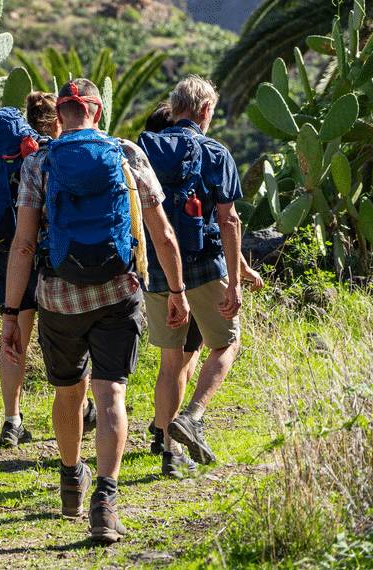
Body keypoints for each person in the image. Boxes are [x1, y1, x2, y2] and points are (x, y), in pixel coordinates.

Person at [1, 78, 189, 543]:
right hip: (118, 291)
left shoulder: (39, 162)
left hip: (59, 297)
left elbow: (24, 245)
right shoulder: (127, 154)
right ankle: (105, 502)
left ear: (60, 113)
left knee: (68, 394)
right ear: (97, 111)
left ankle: (70, 481)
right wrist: (178, 290)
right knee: (111, 396)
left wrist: (10, 313)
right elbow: (162, 233)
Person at [141, 101, 264, 460]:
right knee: (227, 343)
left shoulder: (145, 149)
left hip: (157, 265)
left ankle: (168, 449)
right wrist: (236, 279)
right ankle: (193, 417)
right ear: (207, 109)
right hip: (202, 266)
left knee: (171, 362)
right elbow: (227, 222)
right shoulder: (215, 151)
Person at [0, 91, 95, 447]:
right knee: (64, 336)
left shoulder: (4, 149)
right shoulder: (52, 155)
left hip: (4, 253)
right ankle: (77, 409)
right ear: (57, 119)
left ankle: (11, 421)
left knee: (14, 334)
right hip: (45, 256)